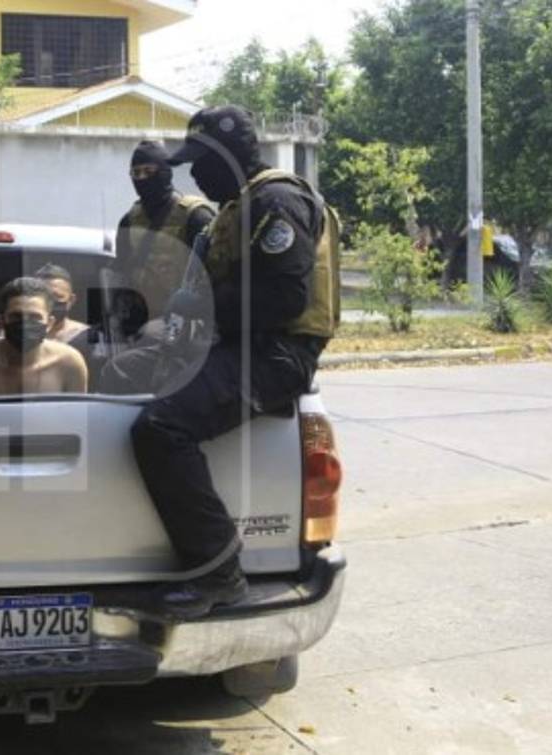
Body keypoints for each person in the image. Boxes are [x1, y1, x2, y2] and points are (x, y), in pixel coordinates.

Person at [104, 106, 338, 619]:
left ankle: (217, 571)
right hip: (237, 344)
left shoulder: (275, 201)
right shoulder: (240, 205)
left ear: (228, 157)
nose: (194, 174)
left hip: (275, 354)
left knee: (160, 428)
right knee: (115, 376)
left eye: (200, 162)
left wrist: (202, 307)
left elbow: (282, 300)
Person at [114, 140, 216, 320]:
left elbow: (212, 277)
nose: (142, 178)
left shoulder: (194, 216)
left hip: (185, 320)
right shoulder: (129, 220)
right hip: (141, 318)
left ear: (164, 172)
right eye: (136, 173)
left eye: (149, 171)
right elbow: (121, 272)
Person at [34, 264, 89, 344]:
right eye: (42, 296)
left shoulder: (86, 337)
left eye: (56, 296)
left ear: (71, 300)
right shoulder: (21, 336)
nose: (49, 302)